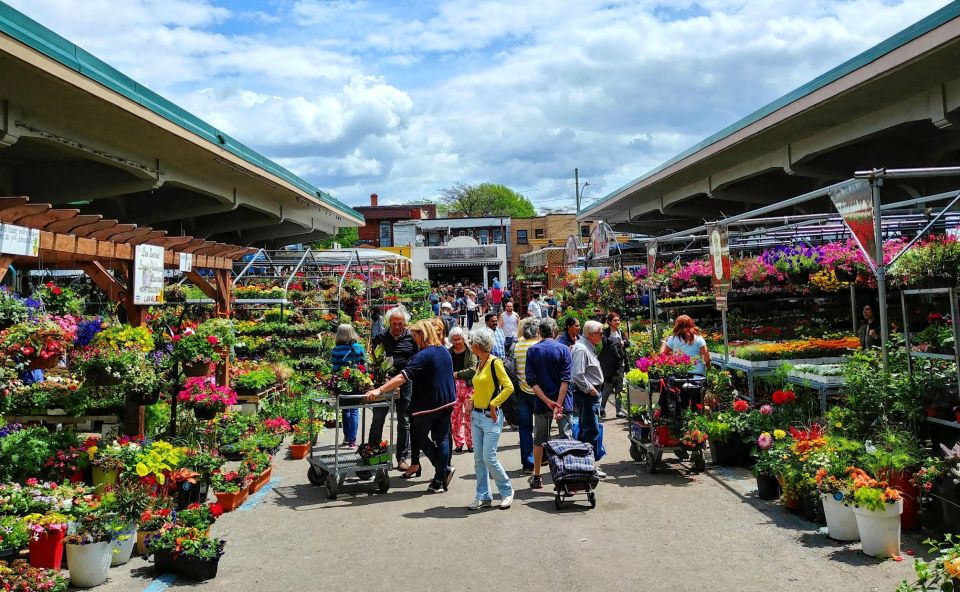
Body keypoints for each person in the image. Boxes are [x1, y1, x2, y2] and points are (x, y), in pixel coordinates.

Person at [366, 320, 457, 493]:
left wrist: (379, 390)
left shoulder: (424, 354)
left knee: (418, 435)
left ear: (423, 335)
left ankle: (442, 469)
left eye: (415, 336)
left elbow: (403, 377)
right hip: (447, 401)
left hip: (429, 404)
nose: (414, 340)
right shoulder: (443, 350)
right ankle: (439, 479)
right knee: (442, 437)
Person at [466, 327, 515, 510]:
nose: (470, 345)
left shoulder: (495, 363)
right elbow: (480, 388)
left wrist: (494, 403)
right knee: (479, 459)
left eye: (472, 342)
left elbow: (508, 387)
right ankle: (483, 496)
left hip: (490, 417)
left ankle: (506, 491)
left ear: (478, 344)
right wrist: (472, 400)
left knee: (489, 457)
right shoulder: (480, 362)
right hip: (477, 416)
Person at [524, 317, 573, 489]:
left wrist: (547, 401)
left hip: (541, 403)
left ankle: (537, 476)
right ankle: (568, 476)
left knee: (539, 440)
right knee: (566, 439)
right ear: (554, 331)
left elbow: (532, 381)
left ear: (540, 332)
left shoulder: (533, 350)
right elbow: (565, 380)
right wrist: (558, 403)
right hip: (563, 403)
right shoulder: (563, 349)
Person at [370, 307, 419, 474]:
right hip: (384, 383)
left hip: (405, 383)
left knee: (404, 420)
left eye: (400, 324)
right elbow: (375, 360)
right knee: (378, 418)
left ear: (405, 323)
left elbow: (417, 359)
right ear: (388, 323)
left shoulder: (411, 337)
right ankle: (372, 454)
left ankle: (402, 458)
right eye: (394, 323)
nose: (397, 327)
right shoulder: (380, 337)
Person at [571, 320, 606, 477]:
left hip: (589, 394)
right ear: (591, 335)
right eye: (600, 333)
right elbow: (577, 374)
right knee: (590, 430)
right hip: (586, 395)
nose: (602, 336)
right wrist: (590, 389)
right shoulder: (581, 348)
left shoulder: (587, 346)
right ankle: (588, 466)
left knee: (588, 429)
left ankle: (585, 464)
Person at [513, 318, 541, 474]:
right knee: (541, 427)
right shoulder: (537, 346)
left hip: (522, 391)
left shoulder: (516, 345)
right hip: (538, 392)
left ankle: (528, 463)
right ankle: (541, 458)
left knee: (524, 428)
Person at [331, 323, 366, 448]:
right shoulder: (358, 348)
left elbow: (334, 368)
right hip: (356, 383)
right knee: (355, 410)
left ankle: (346, 437)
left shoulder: (335, 350)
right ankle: (352, 441)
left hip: (341, 384)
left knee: (345, 410)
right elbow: (364, 365)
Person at [448, 327, 476, 453]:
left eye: (459, 339)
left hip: (469, 387)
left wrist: (456, 374)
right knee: (455, 417)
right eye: (454, 340)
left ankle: (471, 443)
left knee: (469, 416)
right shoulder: (449, 352)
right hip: (453, 388)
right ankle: (458, 443)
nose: (457, 342)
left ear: (463, 338)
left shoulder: (470, 351)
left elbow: (473, 369)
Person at [598, 312, 629, 419]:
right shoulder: (606, 332)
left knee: (619, 388)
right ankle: (601, 408)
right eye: (615, 320)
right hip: (609, 365)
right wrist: (619, 342)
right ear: (610, 322)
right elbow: (606, 343)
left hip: (620, 364)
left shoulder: (620, 332)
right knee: (607, 388)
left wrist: (623, 343)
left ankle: (618, 410)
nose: (617, 322)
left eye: (618, 320)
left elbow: (628, 343)